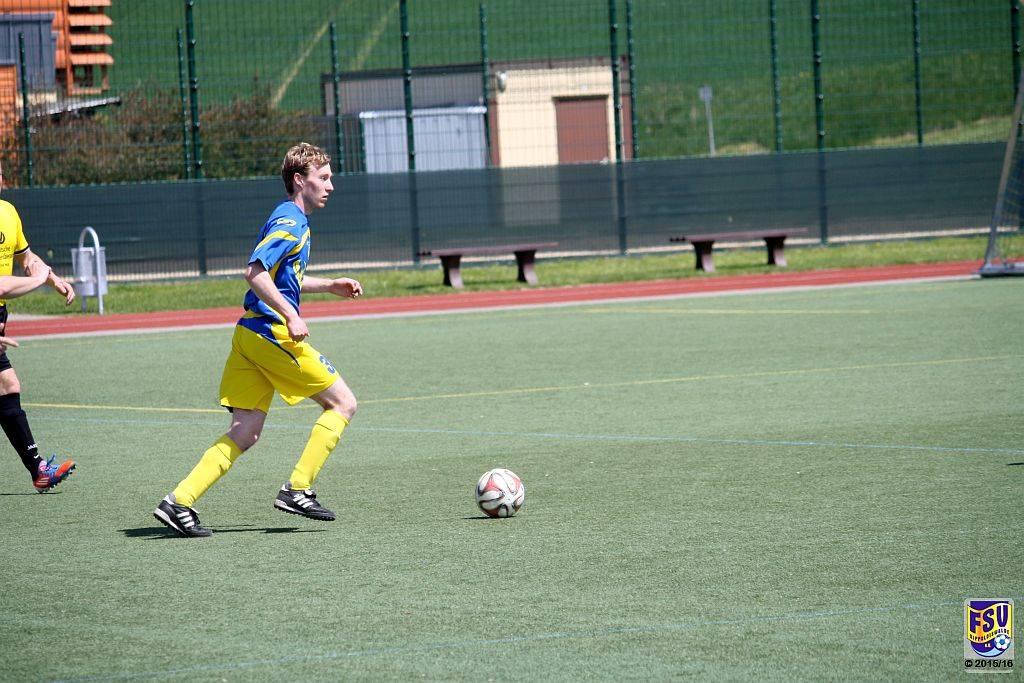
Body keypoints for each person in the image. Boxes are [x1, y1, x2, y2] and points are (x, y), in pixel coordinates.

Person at [154, 143, 363, 537]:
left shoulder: (291, 219)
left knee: (246, 430)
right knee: (343, 403)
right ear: (299, 180)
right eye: (323, 178)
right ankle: (298, 489)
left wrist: (329, 285)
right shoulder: (291, 222)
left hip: (248, 334)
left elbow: (283, 277)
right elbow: (254, 272)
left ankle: (178, 502)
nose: (330, 186)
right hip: (270, 333)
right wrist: (291, 314)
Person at [0, 161, 77, 492]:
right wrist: (36, 282)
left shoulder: (8, 212)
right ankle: (38, 469)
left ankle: (39, 470)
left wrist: (52, 278)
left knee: (7, 385)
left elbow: (27, 258)